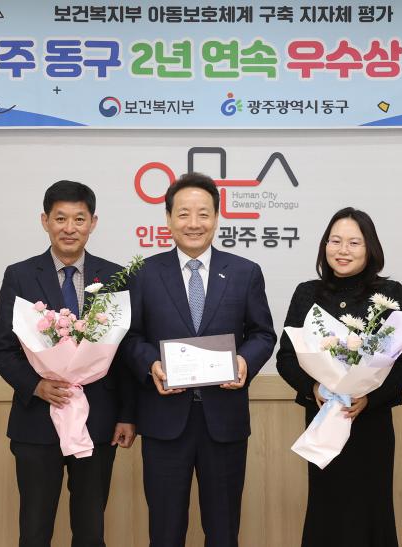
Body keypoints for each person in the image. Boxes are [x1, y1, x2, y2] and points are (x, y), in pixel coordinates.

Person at [123, 172, 276, 547]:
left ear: (217, 217)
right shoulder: (142, 274)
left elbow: (263, 334)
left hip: (223, 421)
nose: (194, 223)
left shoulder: (244, 273)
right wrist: (151, 364)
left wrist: (244, 361)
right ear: (168, 218)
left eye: (203, 214)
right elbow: (129, 337)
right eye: (184, 214)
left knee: (223, 532)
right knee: (164, 532)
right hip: (164, 421)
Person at [0, 180, 137, 547]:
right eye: (60, 218)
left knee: (90, 531)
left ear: (93, 222)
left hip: (98, 422)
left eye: (79, 219)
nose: (69, 228)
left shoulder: (116, 277)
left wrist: (127, 414)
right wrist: (36, 386)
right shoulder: (20, 275)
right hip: (37, 422)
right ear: (45, 221)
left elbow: (125, 353)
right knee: (34, 530)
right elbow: (3, 349)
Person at [276, 207, 402, 547]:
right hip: (323, 420)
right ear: (325, 246)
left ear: (370, 248)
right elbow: (286, 357)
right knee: (326, 511)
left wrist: (368, 398)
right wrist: (313, 387)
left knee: (371, 512)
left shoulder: (389, 293)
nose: (343, 250)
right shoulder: (307, 293)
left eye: (354, 242)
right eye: (335, 241)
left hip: (370, 426)